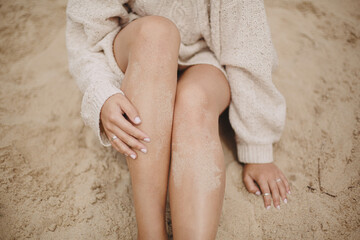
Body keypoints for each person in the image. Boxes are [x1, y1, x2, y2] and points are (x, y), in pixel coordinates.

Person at [65, 0, 291, 239]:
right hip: (137, 46)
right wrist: (102, 92)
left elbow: (248, 45)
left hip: (204, 56)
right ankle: (150, 233)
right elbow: (85, 28)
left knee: (194, 100)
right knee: (157, 33)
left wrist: (257, 147)